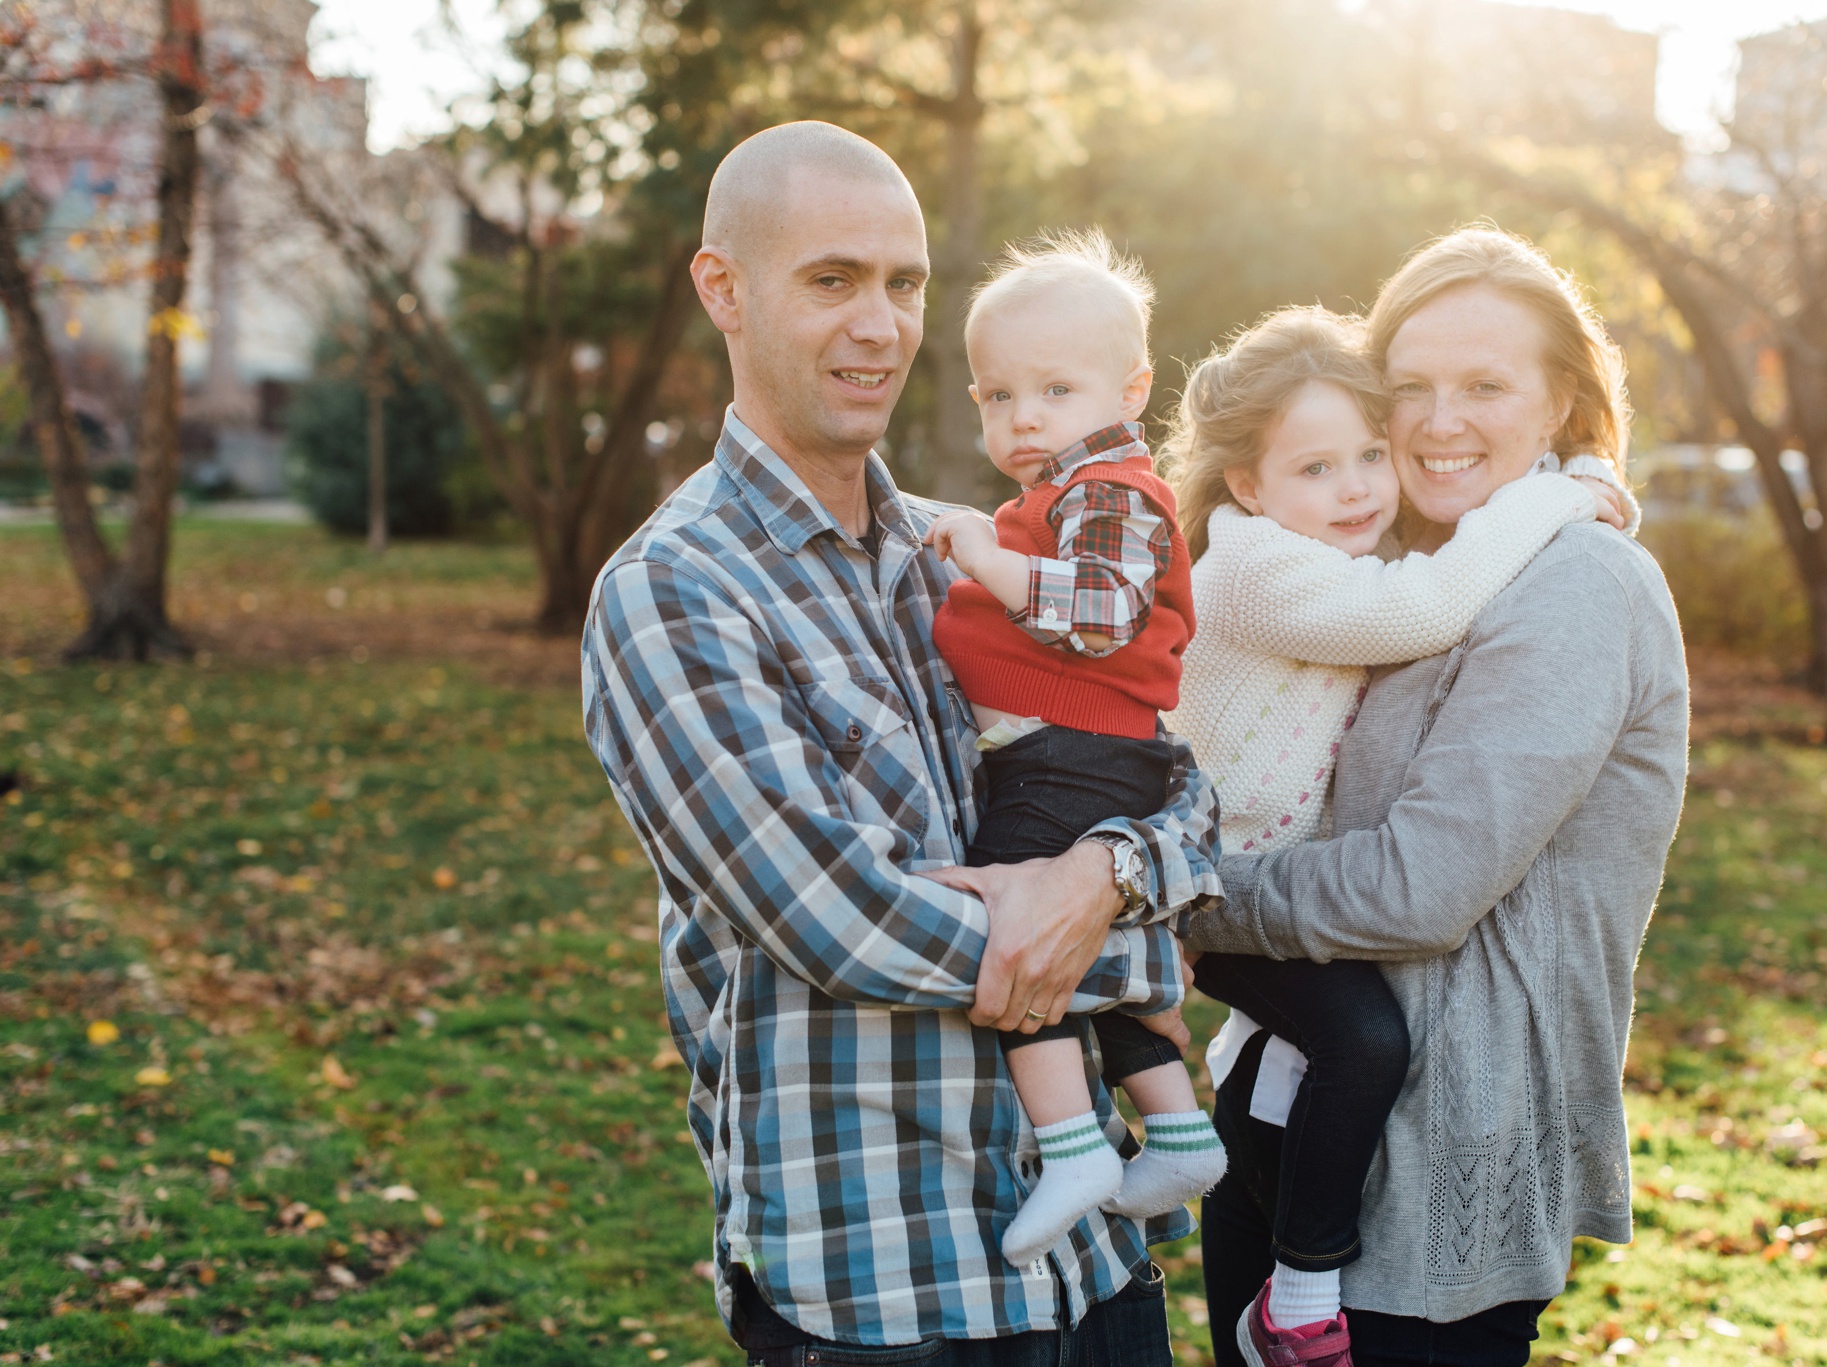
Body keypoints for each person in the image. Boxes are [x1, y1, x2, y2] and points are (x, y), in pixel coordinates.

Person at [581, 122, 1222, 1366]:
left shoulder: (969, 547)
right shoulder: (676, 589)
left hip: (1094, 1278)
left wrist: (1105, 878)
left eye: (904, 283)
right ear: (723, 289)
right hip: (885, 1290)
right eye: (831, 280)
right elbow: (842, 921)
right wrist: (1133, 940)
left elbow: (1178, 782)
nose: (879, 324)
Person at [1185, 228, 1689, 1367]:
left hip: (1426, 1189)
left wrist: (1171, 895)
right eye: (1406, 387)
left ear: (1561, 399)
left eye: (1482, 385)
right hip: (1276, 1125)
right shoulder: (1390, 573)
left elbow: (1417, 889)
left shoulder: (1580, 581)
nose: (1436, 419)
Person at [923, 230, 1227, 1267]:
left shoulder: (1108, 492)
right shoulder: (1055, 496)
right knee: (1088, 950)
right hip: (1072, 747)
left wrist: (983, 557)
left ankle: (1072, 1147)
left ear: (1131, 386)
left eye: (1055, 387)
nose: (1022, 416)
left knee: (1017, 920)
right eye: (996, 394)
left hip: (1070, 751)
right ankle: (1179, 1133)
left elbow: (1098, 612)